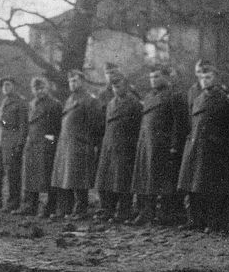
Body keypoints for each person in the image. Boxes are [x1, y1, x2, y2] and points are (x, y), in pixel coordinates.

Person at [178, 60, 229, 231]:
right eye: (202, 77)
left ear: (216, 78)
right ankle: (195, 220)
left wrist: (222, 143)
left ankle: (215, 222)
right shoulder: (197, 99)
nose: (205, 80)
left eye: (209, 77)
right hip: (196, 147)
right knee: (194, 186)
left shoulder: (226, 101)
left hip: (215, 150)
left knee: (213, 188)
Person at [131, 66, 188, 226]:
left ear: (166, 77)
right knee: (146, 179)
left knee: (164, 181)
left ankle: (166, 214)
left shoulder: (174, 95)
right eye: (151, 77)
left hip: (163, 145)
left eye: (156, 76)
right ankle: (146, 212)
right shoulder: (149, 96)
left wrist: (175, 145)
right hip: (147, 144)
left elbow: (179, 123)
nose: (153, 80)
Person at [50, 70, 103, 220]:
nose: (73, 84)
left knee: (79, 179)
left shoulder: (90, 100)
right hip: (66, 144)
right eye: (71, 81)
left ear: (83, 82)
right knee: (65, 178)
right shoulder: (70, 99)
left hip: (80, 144)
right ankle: (66, 209)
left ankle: (81, 209)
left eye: (76, 80)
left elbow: (97, 124)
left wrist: (89, 141)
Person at [94, 73, 142, 223]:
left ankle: (124, 211)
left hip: (125, 146)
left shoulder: (134, 103)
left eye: (119, 86)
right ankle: (107, 209)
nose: (116, 90)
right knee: (106, 180)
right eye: (114, 87)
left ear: (126, 86)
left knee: (123, 181)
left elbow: (138, 127)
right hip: (109, 146)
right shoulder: (110, 104)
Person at [13, 77, 62, 218]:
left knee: (47, 178)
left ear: (47, 88)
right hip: (32, 144)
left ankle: (50, 208)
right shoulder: (32, 104)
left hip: (46, 146)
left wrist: (50, 142)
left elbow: (57, 128)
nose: (39, 91)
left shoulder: (54, 104)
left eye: (42, 88)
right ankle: (30, 206)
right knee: (30, 177)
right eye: (36, 89)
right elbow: (28, 125)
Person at [0, 76, 28, 213]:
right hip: (0, 141)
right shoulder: (4, 102)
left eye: (8, 84)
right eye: (3, 85)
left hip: (12, 141)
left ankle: (13, 203)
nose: (5, 87)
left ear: (14, 86)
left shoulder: (20, 103)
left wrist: (20, 144)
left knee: (12, 173)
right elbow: (2, 123)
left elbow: (23, 126)